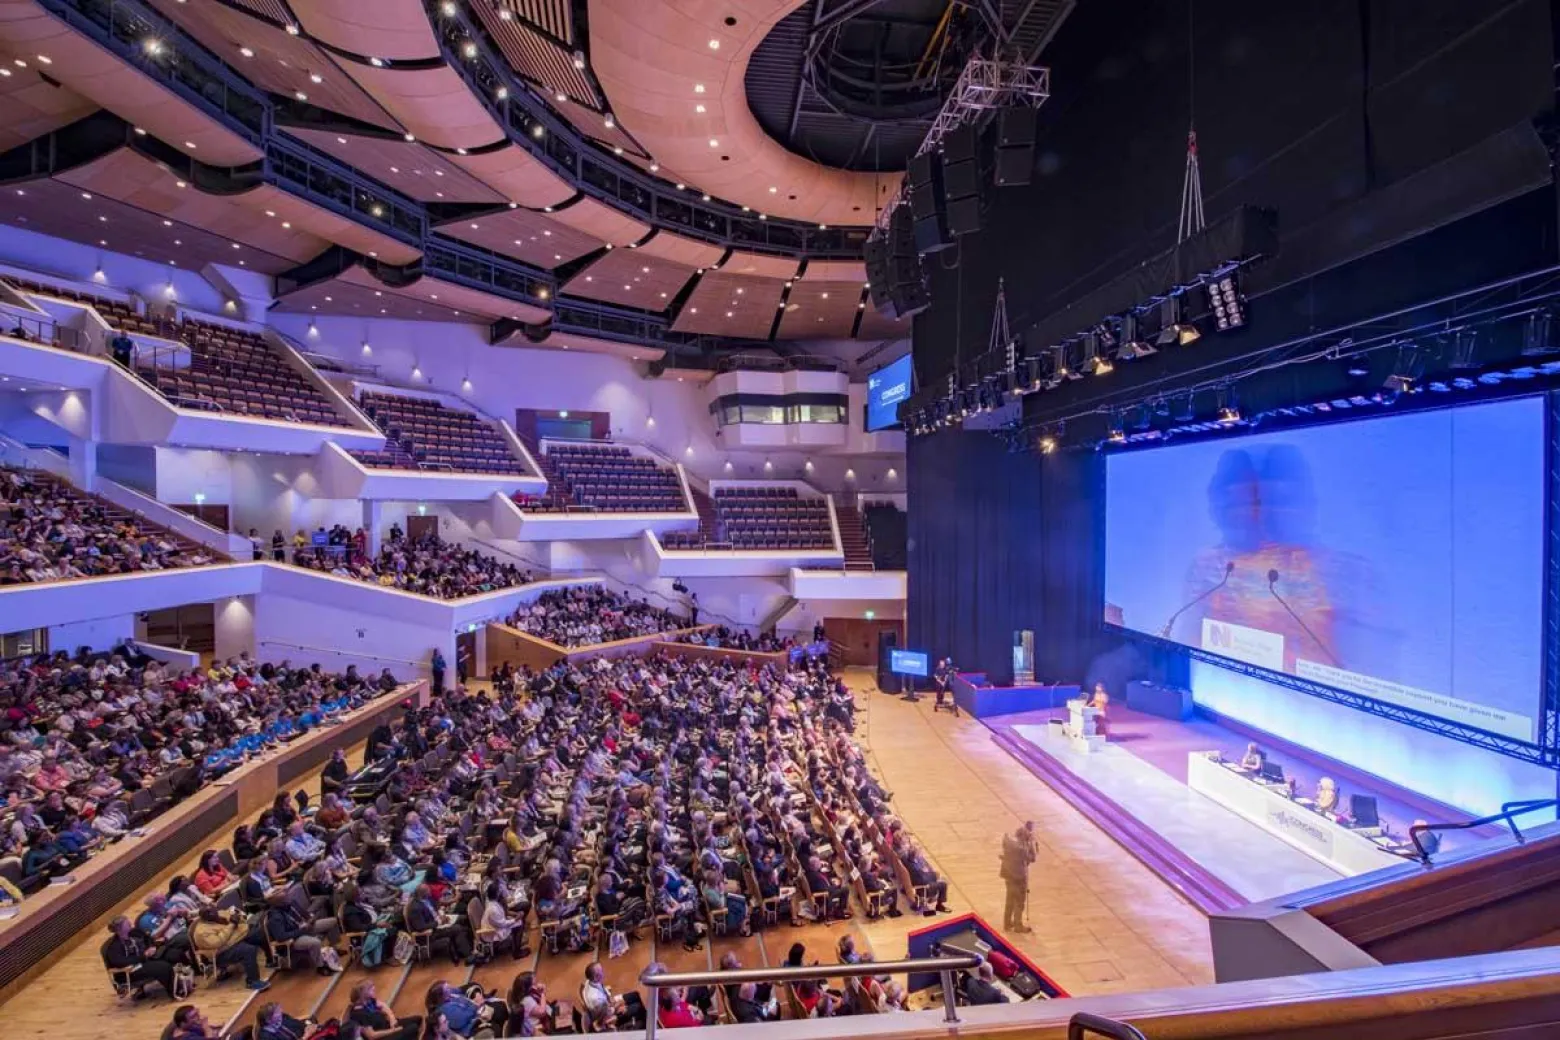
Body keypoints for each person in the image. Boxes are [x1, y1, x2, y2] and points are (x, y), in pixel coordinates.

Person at [190, 906, 270, 991]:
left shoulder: (220, 913)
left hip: (235, 940)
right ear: (202, 916)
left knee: (259, 934)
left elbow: (241, 920)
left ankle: (271, 960)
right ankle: (252, 981)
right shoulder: (201, 932)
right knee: (248, 950)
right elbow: (217, 942)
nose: (212, 913)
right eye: (207, 912)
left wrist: (238, 917)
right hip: (221, 953)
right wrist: (231, 925)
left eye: (212, 910)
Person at [100, 915, 178, 998]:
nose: (130, 923)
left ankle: (180, 982)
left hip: (144, 961)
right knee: (163, 967)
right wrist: (143, 956)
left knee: (173, 954)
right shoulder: (114, 946)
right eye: (126, 923)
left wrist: (151, 947)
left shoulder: (135, 933)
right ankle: (175, 991)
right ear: (119, 929)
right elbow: (120, 962)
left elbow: (148, 939)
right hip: (130, 971)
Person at [348, 980, 422, 1040]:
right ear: (362, 993)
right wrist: (393, 1031)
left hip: (387, 1026)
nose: (374, 988)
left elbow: (383, 1006)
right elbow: (372, 1036)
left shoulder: (370, 1001)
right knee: (413, 1028)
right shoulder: (359, 1014)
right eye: (370, 988)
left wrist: (392, 1019)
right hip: (382, 1037)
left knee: (417, 1019)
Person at [999, 821, 1036, 933]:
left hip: (1008, 875)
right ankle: (1018, 925)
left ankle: (1007, 923)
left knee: (1009, 899)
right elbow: (1032, 858)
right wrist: (1031, 843)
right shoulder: (1022, 849)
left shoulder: (1008, 842)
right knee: (1019, 901)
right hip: (1019, 877)